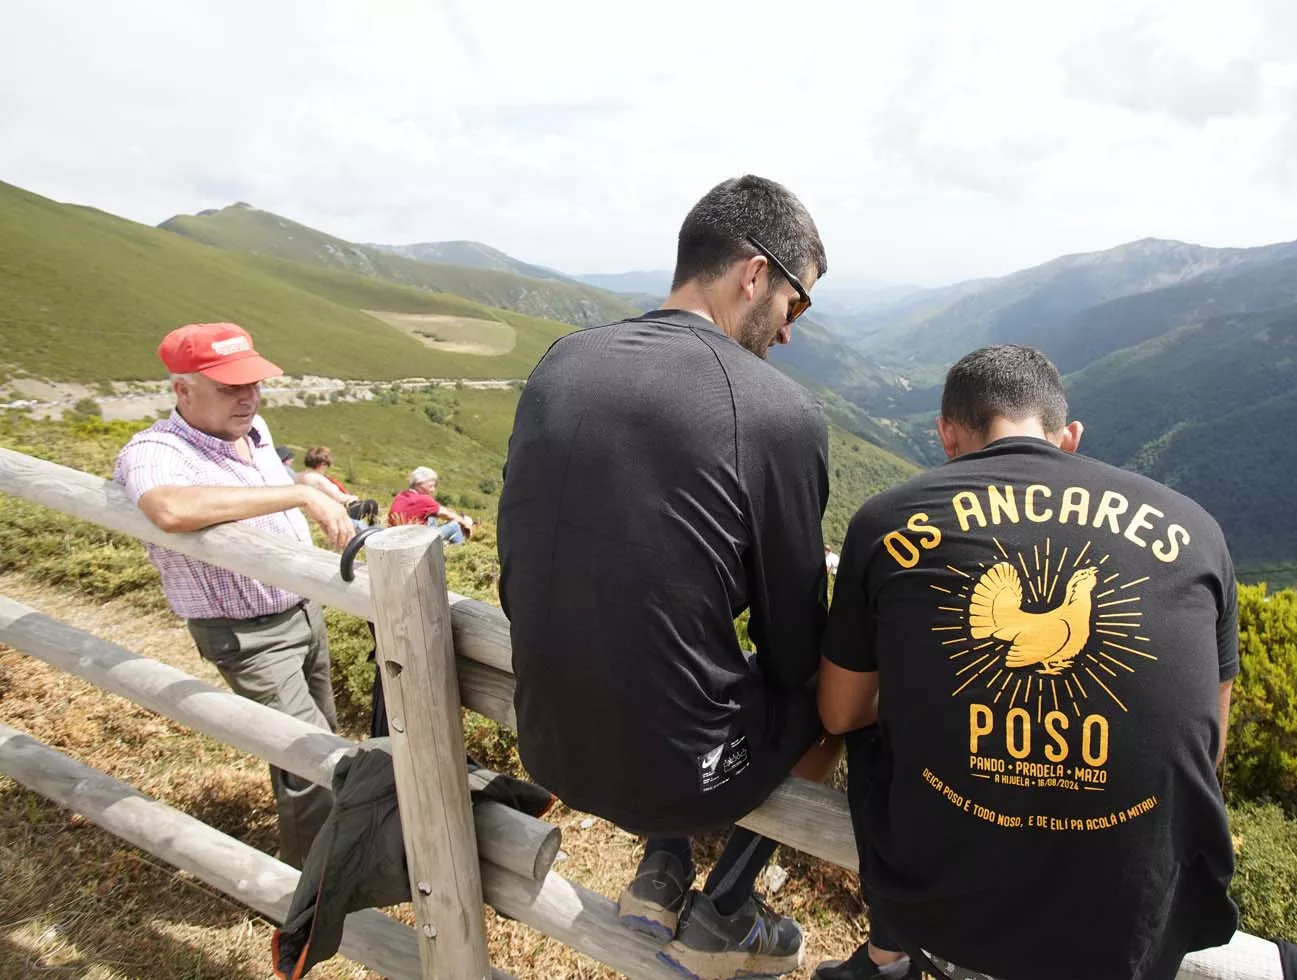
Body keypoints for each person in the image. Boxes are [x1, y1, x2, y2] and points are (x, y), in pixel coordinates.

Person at [498, 175, 838, 980]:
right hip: (677, 775)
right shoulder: (778, 412)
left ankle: (662, 867)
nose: (790, 331)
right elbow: (793, 653)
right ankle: (725, 908)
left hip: (548, 741)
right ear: (755, 274)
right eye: (799, 302)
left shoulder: (562, 360)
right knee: (840, 697)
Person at [816, 345, 1239, 980]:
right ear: (1069, 437)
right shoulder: (1197, 529)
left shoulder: (886, 520)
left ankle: (889, 953)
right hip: (1138, 922)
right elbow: (1211, 744)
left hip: (944, 908)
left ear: (947, 434)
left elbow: (840, 710)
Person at [113, 322, 356, 869]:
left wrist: (307, 485)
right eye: (229, 387)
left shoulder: (253, 430)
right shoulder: (155, 449)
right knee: (310, 755)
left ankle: (335, 853)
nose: (247, 396)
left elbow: (256, 484)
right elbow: (169, 509)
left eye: (252, 383)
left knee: (321, 738)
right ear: (183, 390)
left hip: (300, 610)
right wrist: (294, 493)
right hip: (247, 633)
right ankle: (312, 887)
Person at [387, 466, 473, 545]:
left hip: (396, 538)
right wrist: (466, 524)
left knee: (431, 517)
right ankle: (460, 554)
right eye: (431, 486)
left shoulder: (401, 496)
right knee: (454, 526)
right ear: (419, 484)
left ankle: (439, 548)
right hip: (414, 542)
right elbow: (447, 514)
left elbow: (438, 510)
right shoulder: (423, 499)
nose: (433, 490)